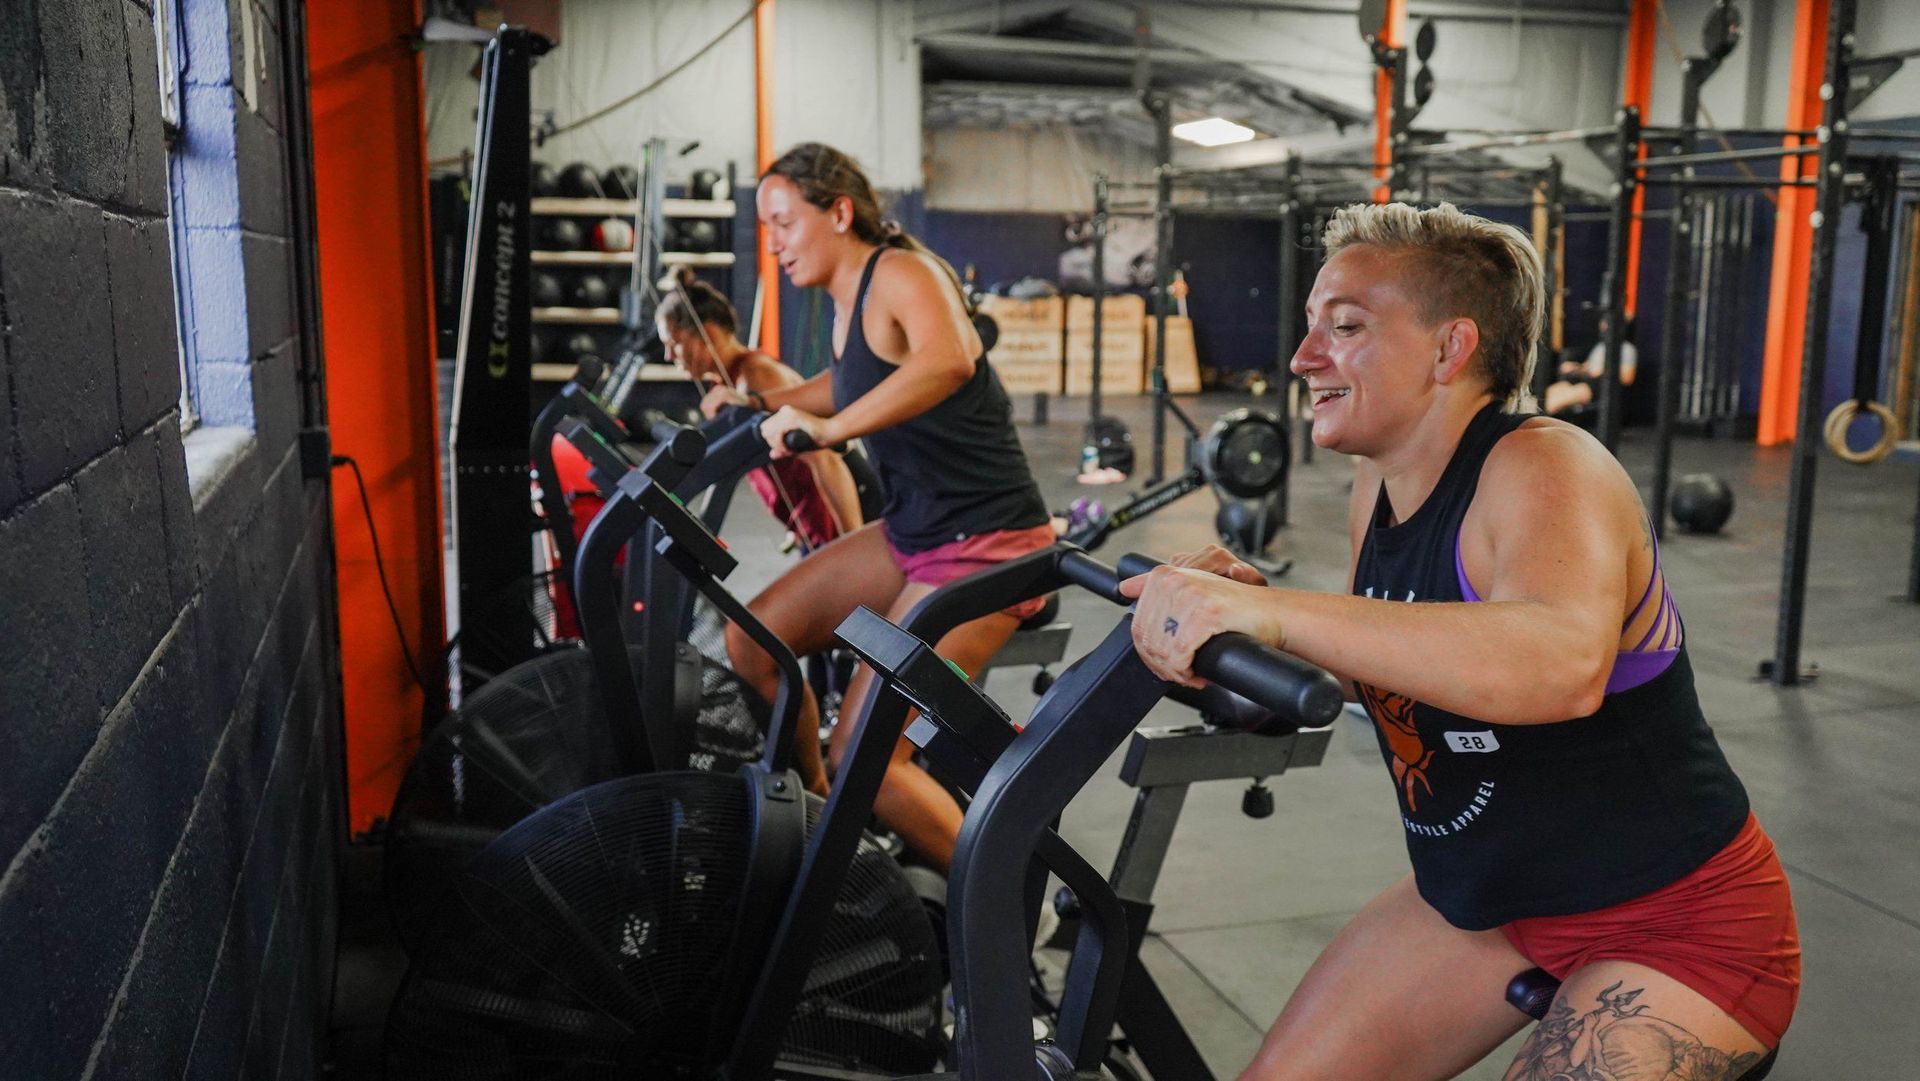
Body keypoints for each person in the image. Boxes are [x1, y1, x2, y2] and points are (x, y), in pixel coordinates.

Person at [1121, 202, 1798, 1081]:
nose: (1303, 357)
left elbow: (1559, 666)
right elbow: (1408, 673)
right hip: (1490, 906)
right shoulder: (1385, 485)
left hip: (1674, 928)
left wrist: (1282, 613)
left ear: (1450, 349)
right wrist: (1252, 629)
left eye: (1347, 325)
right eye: (1310, 326)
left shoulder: (1547, 464)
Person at [702, 143, 1053, 862]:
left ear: (838, 211)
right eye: (765, 229)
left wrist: (828, 431)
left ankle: (1008, 906)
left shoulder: (902, 271)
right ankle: (823, 815)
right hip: (915, 532)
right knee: (754, 639)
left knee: (874, 757)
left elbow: (949, 356)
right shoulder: (845, 301)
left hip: (989, 544)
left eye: (783, 223)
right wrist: (754, 405)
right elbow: (844, 385)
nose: (774, 244)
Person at [659, 266, 864, 551]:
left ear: (706, 333)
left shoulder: (757, 376)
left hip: (849, 520)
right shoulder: (730, 385)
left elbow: (827, 461)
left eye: (674, 343)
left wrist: (854, 543)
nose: (668, 355)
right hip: (815, 527)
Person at [1544, 313, 1636, 417]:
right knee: (1550, 393)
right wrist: (1575, 367)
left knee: (1563, 398)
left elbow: (1627, 378)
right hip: (1584, 380)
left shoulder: (1627, 349)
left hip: (1599, 385)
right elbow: (1587, 367)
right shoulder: (1600, 347)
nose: (1603, 326)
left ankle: (1537, 422)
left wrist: (1602, 371)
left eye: (1606, 324)